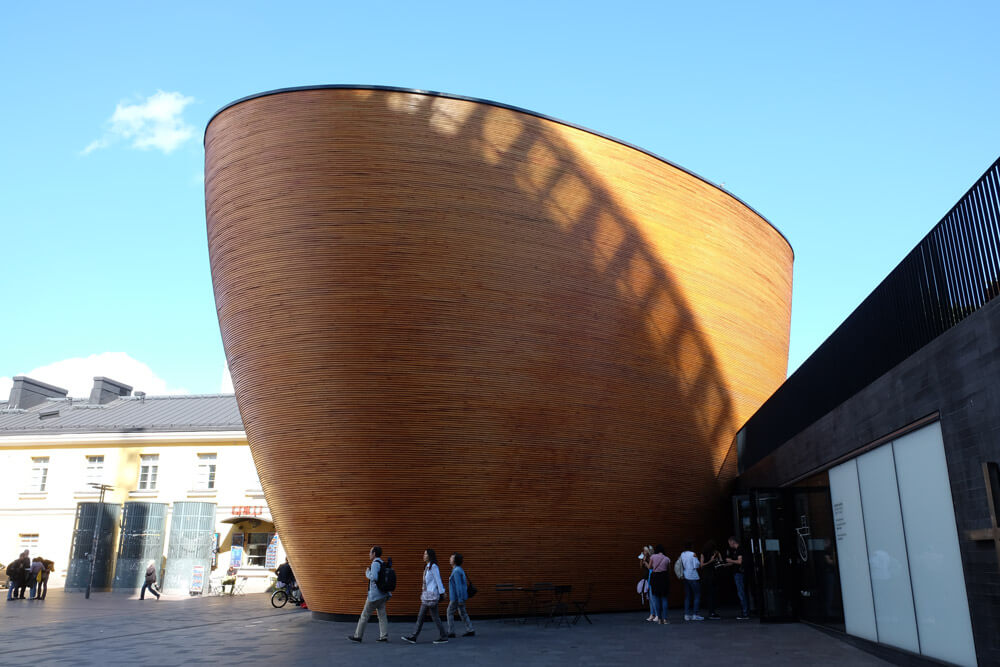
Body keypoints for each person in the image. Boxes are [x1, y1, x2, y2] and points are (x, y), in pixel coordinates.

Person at [401, 548, 448, 645]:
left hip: (431, 596)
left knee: (430, 617)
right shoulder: (427, 567)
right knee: (425, 617)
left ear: (430, 556)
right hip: (427, 596)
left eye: (425, 554)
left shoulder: (433, 567)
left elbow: (438, 580)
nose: (423, 555)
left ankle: (442, 636)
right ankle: (415, 637)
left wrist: (442, 592)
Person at [347, 546, 390, 643]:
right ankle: (384, 636)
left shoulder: (375, 564)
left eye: (370, 552)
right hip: (383, 594)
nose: (369, 554)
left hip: (374, 595)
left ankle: (358, 636)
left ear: (374, 553)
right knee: (382, 616)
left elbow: (374, 577)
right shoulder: (382, 562)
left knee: (364, 615)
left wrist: (367, 572)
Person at [445, 553, 475, 638]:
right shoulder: (459, 569)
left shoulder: (456, 571)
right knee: (463, 613)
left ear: (455, 560)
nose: (450, 559)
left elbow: (459, 586)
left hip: (456, 597)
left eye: (451, 558)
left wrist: (460, 599)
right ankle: (470, 629)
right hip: (459, 597)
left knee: (449, 612)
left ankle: (451, 632)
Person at [645, 544, 671, 624]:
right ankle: (665, 619)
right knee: (664, 599)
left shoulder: (653, 557)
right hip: (664, 578)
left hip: (655, 578)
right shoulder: (667, 559)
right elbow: (669, 569)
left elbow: (649, 567)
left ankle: (659, 619)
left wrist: (645, 562)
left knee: (656, 598)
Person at [725, 536, 750, 619]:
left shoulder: (739, 549)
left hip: (739, 574)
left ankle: (745, 613)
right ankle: (745, 611)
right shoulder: (737, 550)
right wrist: (726, 564)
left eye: (729, 543)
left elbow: (739, 562)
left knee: (741, 593)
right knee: (742, 592)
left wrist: (730, 561)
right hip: (739, 573)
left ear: (733, 542)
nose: (729, 545)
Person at [680, 541, 703, 621]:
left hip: (685, 576)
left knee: (687, 596)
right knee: (697, 595)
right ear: (691, 546)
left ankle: (686, 615)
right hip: (693, 576)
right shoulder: (693, 554)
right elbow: (696, 565)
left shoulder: (682, 554)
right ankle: (695, 614)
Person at [700, 540, 723, 619]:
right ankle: (712, 612)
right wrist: (711, 561)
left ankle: (711, 612)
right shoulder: (716, 553)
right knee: (713, 594)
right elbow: (721, 562)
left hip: (706, 576)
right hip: (713, 575)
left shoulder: (703, 554)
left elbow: (702, 565)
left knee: (710, 594)